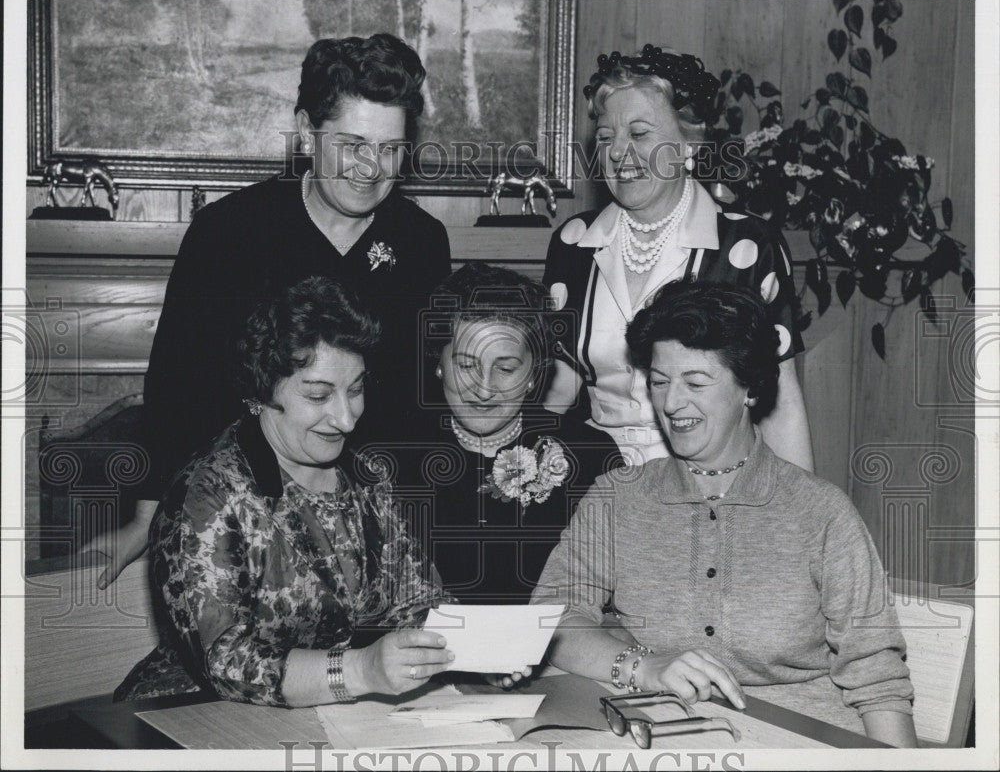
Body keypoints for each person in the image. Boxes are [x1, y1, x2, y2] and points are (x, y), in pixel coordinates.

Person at [84, 34, 450, 587]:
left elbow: (420, 403)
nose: (371, 168)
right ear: (306, 131)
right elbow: (176, 382)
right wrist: (148, 511)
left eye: (391, 148)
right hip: (244, 513)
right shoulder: (228, 233)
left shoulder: (422, 242)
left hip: (376, 521)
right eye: (352, 144)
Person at [532, 279, 916, 747]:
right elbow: (552, 620)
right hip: (659, 741)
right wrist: (643, 665)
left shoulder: (821, 513)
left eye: (695, 382)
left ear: (749, 388)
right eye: (659, 382)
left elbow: (877, 679)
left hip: (798, 745)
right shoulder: (620, 497)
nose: (671, 403)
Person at [115, 277, 455, 706]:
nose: (347, 420)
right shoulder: (208, 494)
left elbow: (419, 602)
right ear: (261, 389)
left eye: (356, 389)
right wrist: (360, 670)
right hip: (190, 712)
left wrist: (481, 652)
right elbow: (225, 661)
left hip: (328, 713)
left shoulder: (366, 477)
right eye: (318, 395)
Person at [543, 45, 813, 470]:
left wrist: (798, 522)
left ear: (689, 143)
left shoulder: (746, 246)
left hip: (711, 483)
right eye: (606, 137)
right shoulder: (573, 244)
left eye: (639, 134)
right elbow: (559, 390)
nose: (618, 153)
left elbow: (782, 403)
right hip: (594, 481)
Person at [351, 262, 623, 605]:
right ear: (438, 362)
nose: (483, 389)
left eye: (505, 368)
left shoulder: (589, 456)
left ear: (534, 373)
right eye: (466, 365)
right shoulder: (385, 459)